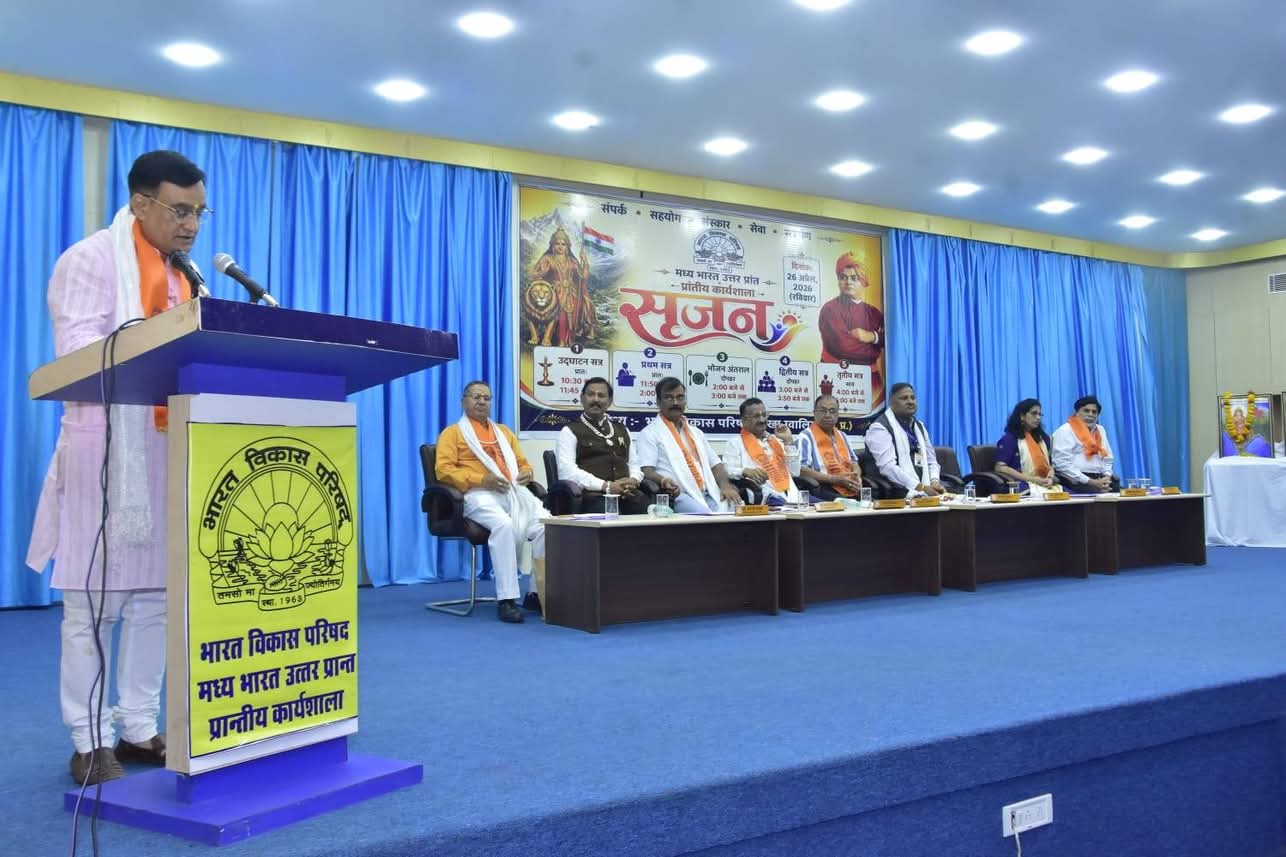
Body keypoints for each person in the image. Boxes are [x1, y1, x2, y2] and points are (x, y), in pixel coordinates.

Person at [26, 150, 208, 784]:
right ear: (140, 203)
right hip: (105, 451)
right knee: (93, 607)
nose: (191, 225)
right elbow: (77, 357)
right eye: (179, 210)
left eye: (199, 212)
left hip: (169, 449)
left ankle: (135, 726)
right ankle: (88, 739)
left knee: (157, 601)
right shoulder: (89, 261)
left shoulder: (185, 276)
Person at [436, 381, 549, 622]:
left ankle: (536, 593)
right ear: (463, 401)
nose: (481, 402)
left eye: (486, 398)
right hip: (476, 494)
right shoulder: (452, 433)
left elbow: (522, 463)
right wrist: (480, 479)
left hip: (512, 492)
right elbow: (444, 471)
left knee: (548, 526)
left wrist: (527, 472)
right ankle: (506, 599)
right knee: (503, 525)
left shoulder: (504, 432)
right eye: (476, 396)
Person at [636, 377, 742, 513]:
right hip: (680, 495)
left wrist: (725, 486)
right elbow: (647, 471)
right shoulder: (650, 433)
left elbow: (716, 464)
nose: (675, 402)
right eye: (669, 398)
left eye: (680, 397)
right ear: (658, 402)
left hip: (710, 491)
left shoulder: (696, 432)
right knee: (706, 518)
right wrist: (663, 480)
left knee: (739, 510)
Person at [555, 377, 649, 515]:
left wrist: (633, 480)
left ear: (609, 401)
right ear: (582, 398)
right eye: (591, 394)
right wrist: (605, 486)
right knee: (607, 513)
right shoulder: (569, 431)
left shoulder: (622, 430)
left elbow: (634, 464)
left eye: (601, 395)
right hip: (593, 497)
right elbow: (567, 472)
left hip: (627, 494)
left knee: (649, 511)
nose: (596, 399)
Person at [817, 252, 884, 394]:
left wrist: (872, 337)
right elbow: (843, 347)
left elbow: (891, 341)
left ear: (864, 281)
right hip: (836, 377)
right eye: (843, 277)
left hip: (871, 380)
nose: (848, 282)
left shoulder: (875, 313)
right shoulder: (830, 309)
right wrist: (875, 348)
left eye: (854, 278)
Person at [865, 382, 944, 497]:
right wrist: (921, 487)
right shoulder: (879, 428)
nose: (910, 402)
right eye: (904, 398)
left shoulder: (919, 426)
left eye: (912, 398)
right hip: (893, 492)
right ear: (891, 402)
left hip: (923, 491)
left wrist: (935, 482)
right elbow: (888, 468)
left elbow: (931, 461)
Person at [721, 398, 801, 505]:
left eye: (764, 415)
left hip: (793, 494)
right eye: (756, 416)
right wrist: (744, 471)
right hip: (766, 496)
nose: (762, 420)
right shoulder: (735, 443)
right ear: (744, 420)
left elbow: (795, 472)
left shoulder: (776, 441)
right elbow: (727, 470)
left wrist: (788, 442)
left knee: (821, 506)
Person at [529, 226, 594, 346]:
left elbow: (583, 277)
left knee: (577, 308)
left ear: (567, 246)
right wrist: (542, 272)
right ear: (552, 245)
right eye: (557, 243)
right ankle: (560, 340)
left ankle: (568, 339)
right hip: (554, 293)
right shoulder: (547, 259)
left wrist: (585, 262)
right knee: (560, 314)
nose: (560, 247)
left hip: (571, 293)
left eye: (563, 244)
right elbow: (532, 275)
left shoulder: (572, 261)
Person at [797, 395, 863, 498]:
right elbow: (801, 470)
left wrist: (856, 475)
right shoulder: (805, 437)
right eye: (823, 411)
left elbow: (854, 463)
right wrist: (835, 479)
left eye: (832, 411)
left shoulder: (843, 436)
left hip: (849, 487)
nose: (827, 415)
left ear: (837, 414)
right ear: (814, 413)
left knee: (872, 504)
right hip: (824, 489)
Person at [1051, 395, 1119, 493]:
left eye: (1094, 412)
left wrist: (1107, 477)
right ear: (1077, 413)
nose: (1090, 414)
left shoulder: (1100, 430)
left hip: (1100, 478)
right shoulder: (1065, 430)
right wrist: (1092, 482)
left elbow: (1107, 459)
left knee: (1125, 496)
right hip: (1075, 480)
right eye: (1086, 411)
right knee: (1098, 496)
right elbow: (1061, 464)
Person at [994, 398, 1058, 495]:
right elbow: (1000, 467)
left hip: (1045, 483)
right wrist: (1032, 479)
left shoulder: (1043, 438)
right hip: (1022, 483)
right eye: (1034, 413)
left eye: (1040, 414)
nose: (1038, 417)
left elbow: (1050, 465)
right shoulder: (1010, 439)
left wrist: (1050, 478)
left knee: (1071, 497)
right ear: (1022, 416)